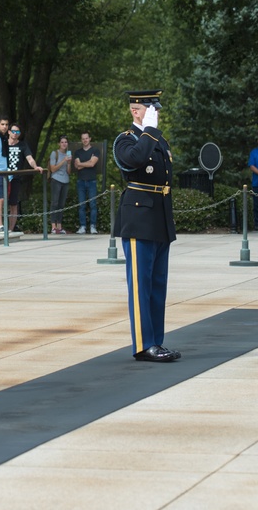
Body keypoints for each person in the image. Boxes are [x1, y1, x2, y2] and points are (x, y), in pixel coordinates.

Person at [113, 90, 179, 363]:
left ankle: (157, 341)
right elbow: (136, 160)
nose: (156, 114)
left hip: (159, 218)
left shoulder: (157, 140)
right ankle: (143, 343)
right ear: (135, 111)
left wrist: (152, 132)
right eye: (150, 109)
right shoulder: (125, 141)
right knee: (141, 285)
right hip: (138, 219)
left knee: (157, 285)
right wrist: (149, 130)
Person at [6, 123, 44, 232]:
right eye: (13, 131)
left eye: (17, 132)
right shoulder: (3, 144)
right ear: (9, 132)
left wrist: (35, 166)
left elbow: (30, 159)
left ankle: (10, 229)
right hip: (2, 177)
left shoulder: (23, 145)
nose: (15, 134)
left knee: (13, 203)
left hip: (15, 178)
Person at [73, 131, 100, 234]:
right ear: (81, 140)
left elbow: (92, 164)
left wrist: (82, 164)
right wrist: (87, 163)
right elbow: (76, 166)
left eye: (86, 138)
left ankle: (93, 226)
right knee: (81, 205)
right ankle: (82, 226)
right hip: (81, 181)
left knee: (93, 204)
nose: (85, 140)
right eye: (83, 138)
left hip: (92, 181)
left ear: (90, 139)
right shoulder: (78, 152)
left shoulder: (95, 150)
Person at [48, 135, 72, 234]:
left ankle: (59, 226)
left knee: (61, 204)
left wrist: (69, 163)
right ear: (59, 143)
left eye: (65, 142)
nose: (64, 144)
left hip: (65, 181)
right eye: (62, 142)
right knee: (55, 203)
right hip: (56, 180)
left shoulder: (68, 154)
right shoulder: (55, 154)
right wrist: (63, 161)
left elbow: (69, 172)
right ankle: (53, 226)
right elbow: (53, 169)